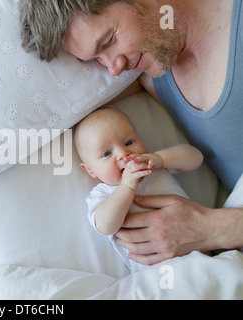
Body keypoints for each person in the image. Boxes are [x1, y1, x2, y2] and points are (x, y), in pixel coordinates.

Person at [19, 0, 243, 265]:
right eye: (96, 59)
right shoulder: (151, 75)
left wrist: (210, 229)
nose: (113, 69)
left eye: (109, 40)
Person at [75, 107, 203, 272]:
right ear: (90, 170)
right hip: (156, 275)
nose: (123, 153)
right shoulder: (103, 193)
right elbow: (105, 226)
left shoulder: (154, 166)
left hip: (199, 254)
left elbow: (196, 158)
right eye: (107, 153)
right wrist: (126, 187)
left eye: (129, 142)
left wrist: (160, 158)